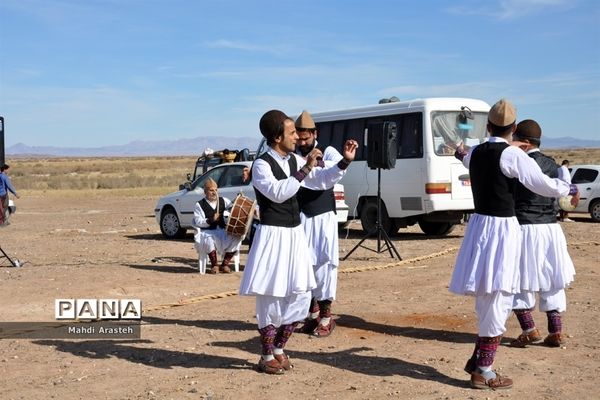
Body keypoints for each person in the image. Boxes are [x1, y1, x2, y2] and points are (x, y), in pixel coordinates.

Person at [450, 99, 579, 390]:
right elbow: (541, 184)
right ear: (514, 129)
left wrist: (459, 151)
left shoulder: (478, 152)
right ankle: (484, 369)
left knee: (487, 292)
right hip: (502, 229)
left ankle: (479, 359)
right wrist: (567, 187)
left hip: (479, 226)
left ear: (488, 126)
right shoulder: (511, 155)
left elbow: (464, 157)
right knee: (500, 292)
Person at [239, 109, 357, 375]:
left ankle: (279, 348)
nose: (297, 137)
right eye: (292, 132)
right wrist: (305, 167)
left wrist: (343, 163)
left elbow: (320, 181)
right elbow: (279, 193)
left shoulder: (293, 159)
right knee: (272, 295)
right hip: (272, 236)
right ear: (277, 136)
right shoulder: (261, 165)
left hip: (294, 235)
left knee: (302, 294)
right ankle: (267, 354)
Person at [509, 120, 575, 348]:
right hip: (551, 229)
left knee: (520, 280)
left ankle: (529, 330)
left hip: (524, 228)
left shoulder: (517, 163)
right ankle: (556, 332)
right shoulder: (555, 165)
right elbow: (565, 196)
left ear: (524, 143)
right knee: (552, 278)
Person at [294, 110, 343, 337]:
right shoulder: (292, 154)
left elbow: (329, 175)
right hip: (300, 217)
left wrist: (316, 163)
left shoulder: (330, 151)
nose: (302, 142)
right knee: (303, 265)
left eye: (306, 138)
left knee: (324, 265)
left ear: (315, 134)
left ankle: (326, 316)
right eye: (299, 138)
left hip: (323, 218)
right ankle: (311, 314)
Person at [192, 178, 242, 274]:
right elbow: (198, 221)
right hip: (208, 231)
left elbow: (232, 208)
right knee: (209, 239)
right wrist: (211, 220)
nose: (214, 192)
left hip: (222, 231)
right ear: (205, 191)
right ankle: (214, 265)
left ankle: (225, 264)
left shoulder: (223, 200)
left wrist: (237, 201)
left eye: (216, 190)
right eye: (211, 190)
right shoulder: (199, 205)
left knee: (237, 237)